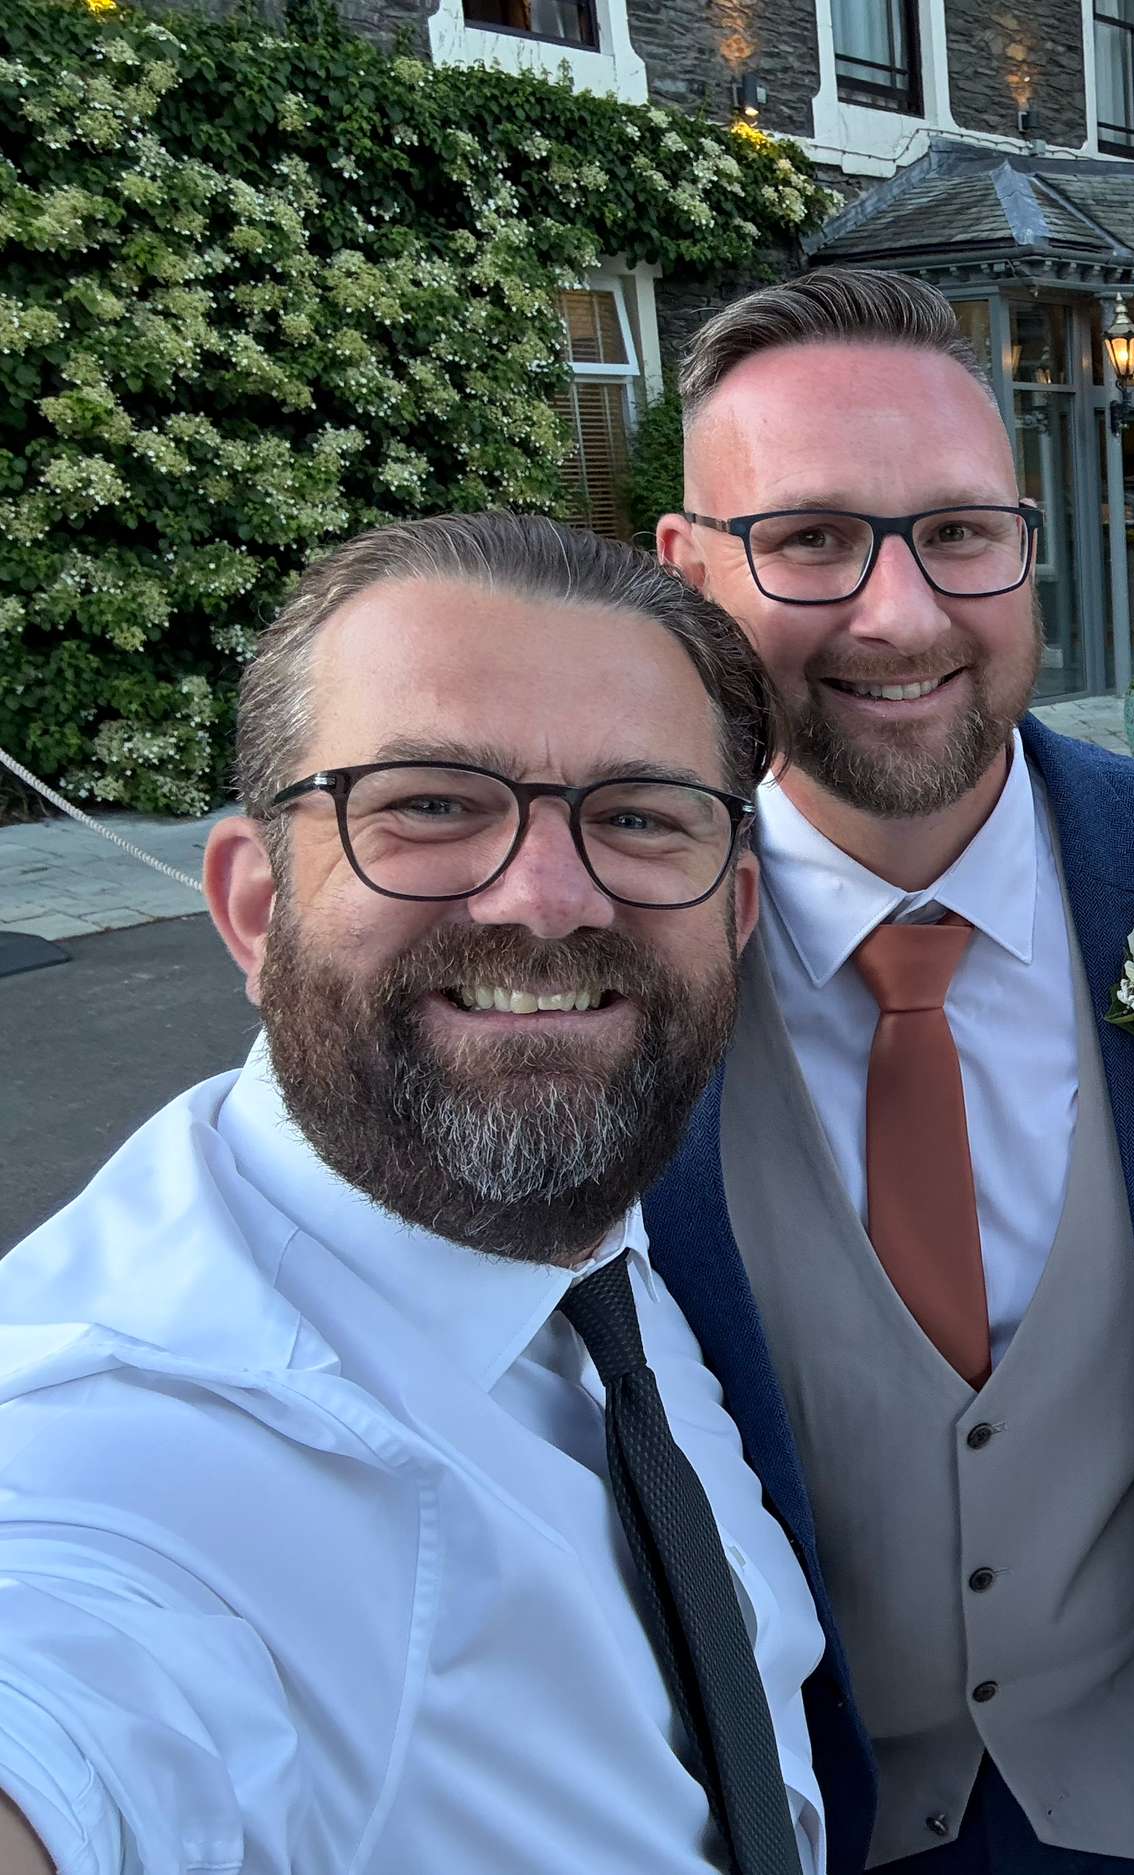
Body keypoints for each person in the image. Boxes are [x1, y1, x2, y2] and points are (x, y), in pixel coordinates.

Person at [649, 267, 1134, 1875]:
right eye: (812, 538)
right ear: (688, 571)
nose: (901, 615)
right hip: (786, 1814)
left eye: (960, 532)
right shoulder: (605, 939)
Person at [0, 514, 833, 1875]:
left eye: (638, 816)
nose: (548, 899)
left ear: (735, 912)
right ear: (255, 905)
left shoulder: (592, 1247)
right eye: (431, 804)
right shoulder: (115, 1439)